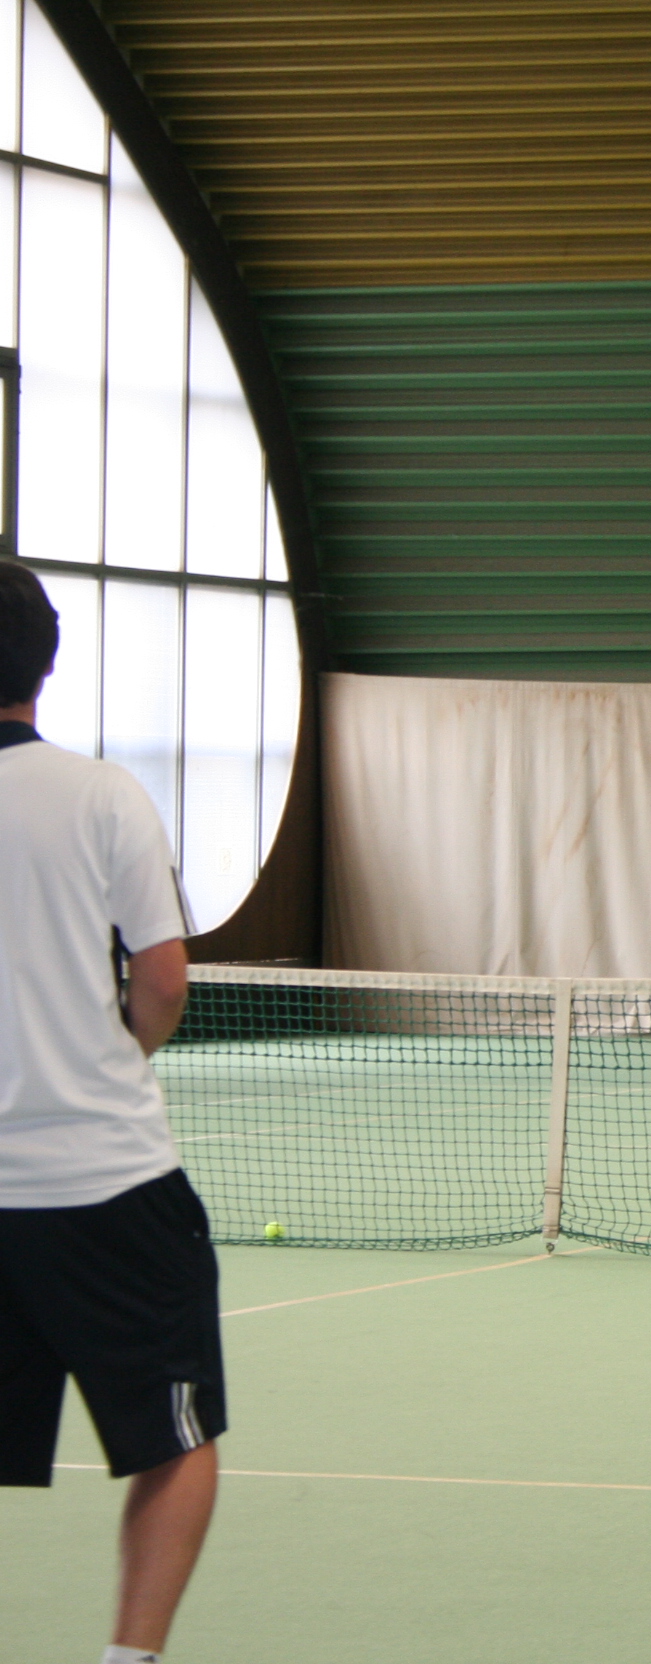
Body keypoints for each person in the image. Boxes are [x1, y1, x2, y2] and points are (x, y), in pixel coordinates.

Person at [0, 560, 217, 1664]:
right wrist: (107, 1064)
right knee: (176, 1441)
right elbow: (163, 979)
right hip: (109, 1187)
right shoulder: (102, 796)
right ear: (45, 663)